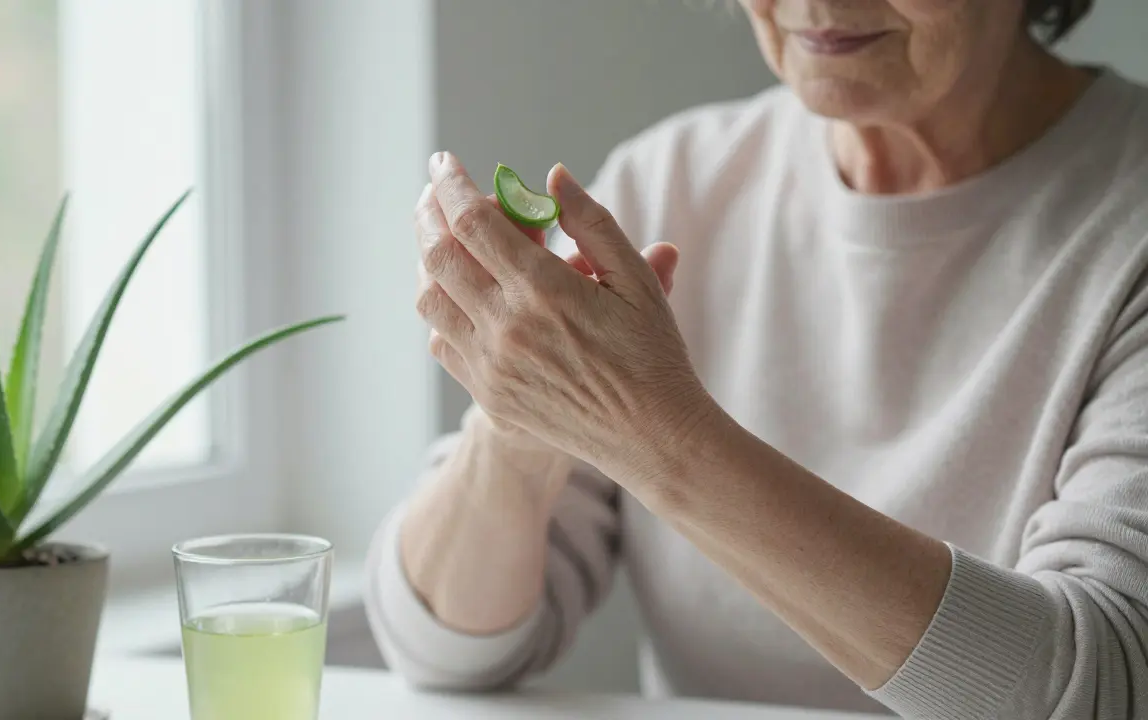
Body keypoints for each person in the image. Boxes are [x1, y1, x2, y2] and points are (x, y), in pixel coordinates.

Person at [364, 1, 1148, 717]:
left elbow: (1100, 684)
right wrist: (522, 424)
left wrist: (652, 434)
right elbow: (443, 649)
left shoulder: (1125, 220)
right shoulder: (675, 180)